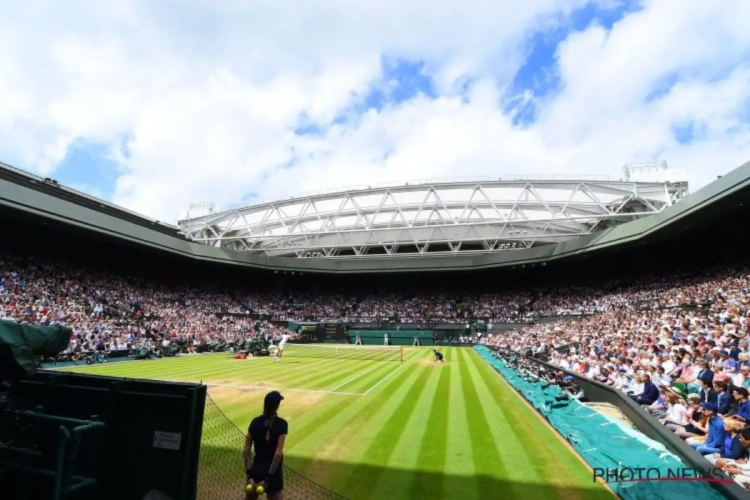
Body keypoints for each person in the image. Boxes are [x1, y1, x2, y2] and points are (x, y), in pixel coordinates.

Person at [244, 391, 288, 500]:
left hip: (256, 469)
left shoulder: (254, 422)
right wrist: (268, 478)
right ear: (277, 406)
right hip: (273, 472)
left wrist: (250, 475)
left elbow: (246, 451)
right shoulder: (282, 424)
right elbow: (277, 455)